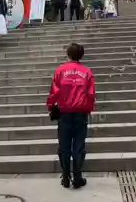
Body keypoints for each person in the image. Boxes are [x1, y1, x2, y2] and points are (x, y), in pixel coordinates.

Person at [47, 43, 95, 189]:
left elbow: (54, 91)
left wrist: (51, 107)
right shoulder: (86, 72)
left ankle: (66, 176)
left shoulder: (60, 70)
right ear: (81, 55)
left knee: (64, 145)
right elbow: (91, 94)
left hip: (64, 112)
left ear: (68, 54)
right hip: (80, 112)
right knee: (79, 145)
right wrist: (88, 109)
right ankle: (78, 176)